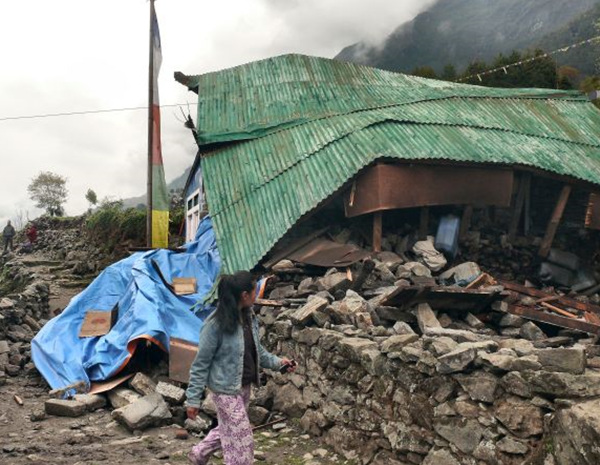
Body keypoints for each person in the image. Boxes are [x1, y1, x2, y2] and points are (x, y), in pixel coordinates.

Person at [186, 271, 296, 465]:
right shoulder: (214, 325)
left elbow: (258, 351)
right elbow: (200, 364)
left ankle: (199, 453)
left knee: (229, 429)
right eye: (254, 291)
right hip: (224, 390)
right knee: (242, 439)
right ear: (244, 295)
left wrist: (279, 364)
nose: (256, 295)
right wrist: (193, 399)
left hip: (243, 386)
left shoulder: (249, 317)